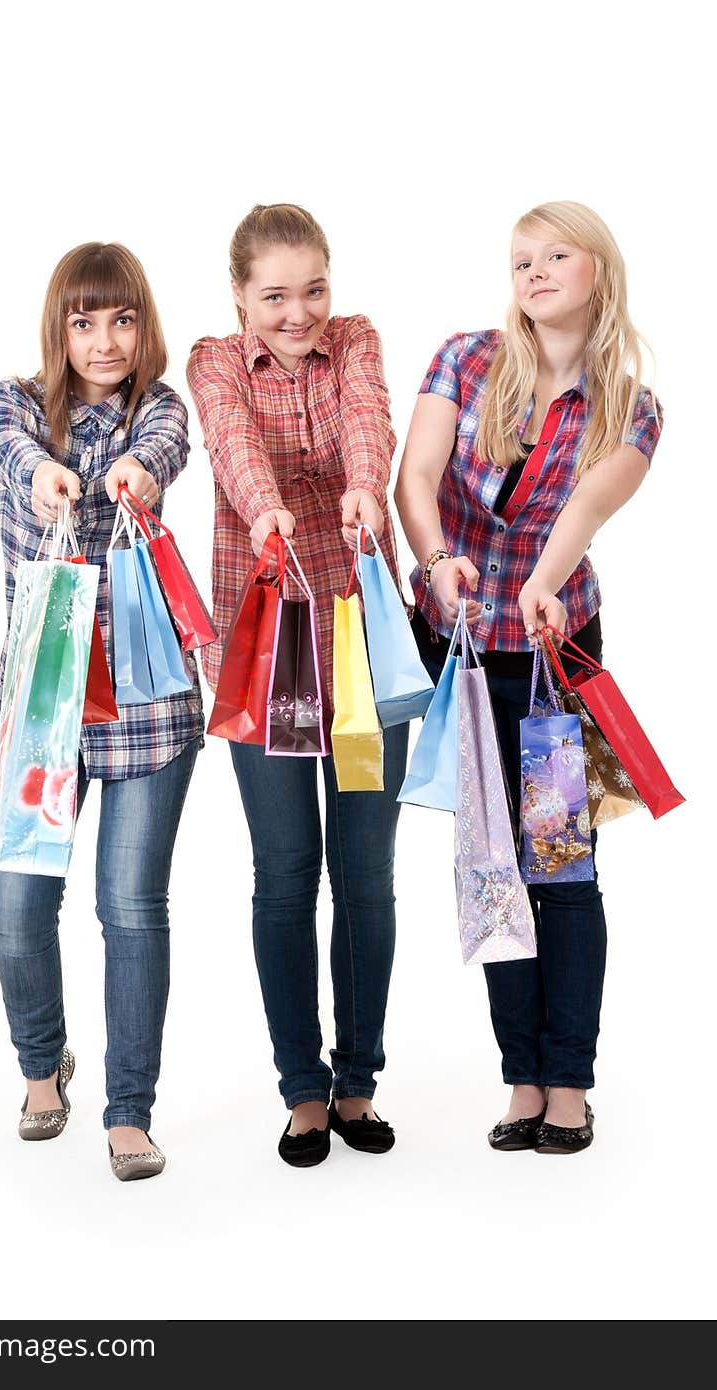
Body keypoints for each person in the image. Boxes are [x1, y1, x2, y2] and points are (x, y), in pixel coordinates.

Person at [394, 201, 662, 1154]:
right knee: (492, 868)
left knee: (562, 867)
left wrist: (540, 589)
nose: (534, 270)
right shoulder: (465, 360)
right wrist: (434, 564)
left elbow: (584, 511)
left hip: (555, 651)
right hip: (459, 646)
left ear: (601, 271)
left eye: (556, 254)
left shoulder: (631, 405)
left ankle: (570, 1080)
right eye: (520, 259)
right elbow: (414, 478)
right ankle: (520, 1076)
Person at [0, 242, 203, 1181]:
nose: (105, 340)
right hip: (45, 705)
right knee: (18, 903)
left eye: (122, 319)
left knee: (130, 908)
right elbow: (5, 446)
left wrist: (138, 479)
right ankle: (43, 1066)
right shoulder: (11, 403)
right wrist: (41, 476)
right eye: (84, 321)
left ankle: (128, 1108)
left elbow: (165, 449)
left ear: (143, 326)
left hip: (149, 705)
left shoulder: (160, 410)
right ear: (58, 328)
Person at [188, 204, 408, 1167]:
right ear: (239, 295)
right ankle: (302, 1090)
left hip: (358, 640)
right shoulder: (214, 360)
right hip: (264, 644)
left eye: (312, 288)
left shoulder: (355, 339)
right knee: (285, 873)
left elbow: (371, 416)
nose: (298, 312)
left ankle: (357, 1081)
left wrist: (368, 482)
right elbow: (231, 442)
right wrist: (269, 505)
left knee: (364, 872)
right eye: (274, 294)